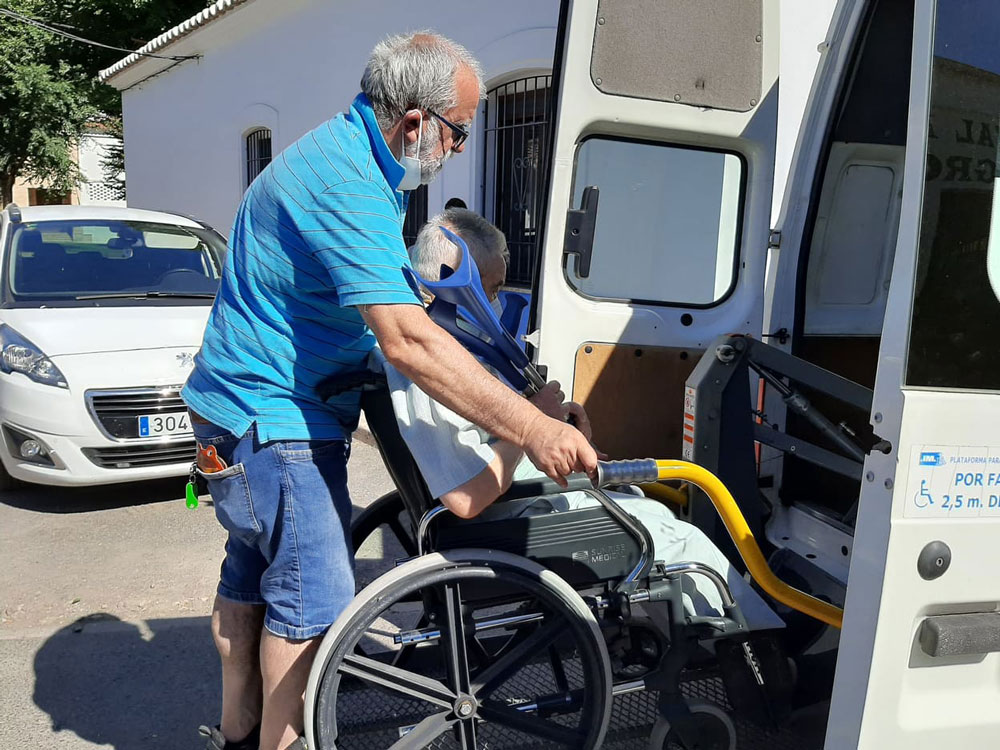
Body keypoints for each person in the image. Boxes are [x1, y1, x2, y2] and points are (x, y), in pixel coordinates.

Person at [182, 32, 597, 750]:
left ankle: (239, 732)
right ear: (414, 121)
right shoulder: (348, 183)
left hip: (233, 410)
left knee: (250, 579)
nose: (459, 148)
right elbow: (407, 338)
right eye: (458, 130)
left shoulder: (341, 158)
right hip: (276, 421)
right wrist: (535, 428)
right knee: (312, 609)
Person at [378, 209, 785, 630]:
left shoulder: (450, 352)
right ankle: (759, 645)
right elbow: (466, 498)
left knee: (651, 511)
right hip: (506, 521)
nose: (497, 302)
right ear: (455, 284)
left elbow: (483, 442)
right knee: (684, 543)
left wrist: (551, 426)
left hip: (521, 502)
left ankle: (698, 630)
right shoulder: (429, 368)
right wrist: (533, 423)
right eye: (493, 289)